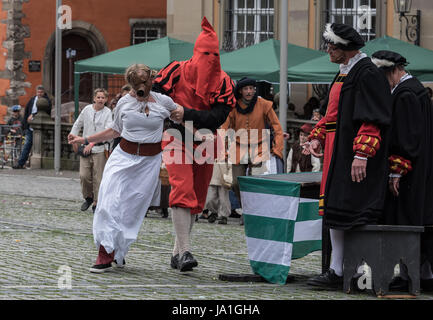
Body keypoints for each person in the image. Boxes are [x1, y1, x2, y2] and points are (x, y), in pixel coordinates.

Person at [68, 64, 183, 273]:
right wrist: (85, 138)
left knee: (132, 210)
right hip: (122, 158)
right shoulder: (123, 103)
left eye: (144, 82)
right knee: (107, 202)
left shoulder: (163, 102)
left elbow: (181, 116)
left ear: (151, 80)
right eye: (136, 83)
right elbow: (114, 131)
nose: (141, 86)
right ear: (131, 83)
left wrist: (184, 118)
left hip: (149, 162)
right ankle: (104, 251)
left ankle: (119, 251)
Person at [303, 23, 392, 289]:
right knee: (335, 209)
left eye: (331, 46)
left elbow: (372, 118)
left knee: (352, 210)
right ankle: (336, 268)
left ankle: (350, 270)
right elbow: (332, 112)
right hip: (337, 151)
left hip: (352, 154)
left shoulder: (367, 74)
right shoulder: (344, 72)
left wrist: (362, 154)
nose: (327, 50)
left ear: (345, 49)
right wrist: (318, 136)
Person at [152, 17, 236, 272]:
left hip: (207, 140)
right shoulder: (176, 70)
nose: (209, 58)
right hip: (176, 137)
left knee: (197, 197)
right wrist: (172, 113)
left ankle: (178, 252)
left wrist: (186, 113)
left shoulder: (224, 81)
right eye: (204, 53)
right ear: (196, 52)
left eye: (214, 54)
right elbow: (157, 96)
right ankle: (187, 250)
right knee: (183, 188)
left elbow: (218, 117)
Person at [372, 50, 433, 292]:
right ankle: (419, 273)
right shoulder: (415, 90)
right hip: (421, 168)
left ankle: (414, 274)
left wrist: (396, 170)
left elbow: (407, 137)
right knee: (420, 222)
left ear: (394, 71)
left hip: (411, 172)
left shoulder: (406, 94)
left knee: (409, 221)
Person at [221, 77, 284, 225]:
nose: (249, 91)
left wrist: (277, 148)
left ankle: (255, 212)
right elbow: (223, 128)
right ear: (240, 91)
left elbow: (277, 127)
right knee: (236, 183)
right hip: (238, 147)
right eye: (246, 89)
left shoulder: (265, 105)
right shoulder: (233, 106)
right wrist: (222, 150)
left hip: (260, 147)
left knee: (256, 181)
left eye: (251, 88)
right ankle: (246, 209)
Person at [69, 88, 113, 213]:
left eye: (103, 98)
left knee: (98, 177)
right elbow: (78, 124)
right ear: (94, 98)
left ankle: (96, 202)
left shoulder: (108, 112)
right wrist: (73, 136)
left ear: (106, 99)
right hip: (85, 149)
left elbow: (107, 132)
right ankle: (88, 197)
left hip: (100, 148)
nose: (100, 100)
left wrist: (92, 143)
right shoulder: (87, 110)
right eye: (98, 97)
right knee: (84, 176)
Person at [13, 85, 52, 169]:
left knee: (39, 147)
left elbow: (46, 110)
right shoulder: (32, 100)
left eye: (41, 92)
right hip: (30, 127)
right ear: (36, 92)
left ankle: (38, 164)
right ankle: (20, 163)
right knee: (27, 144)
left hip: (41, 127)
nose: (40, 94)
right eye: (38, 92)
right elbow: (27, 111)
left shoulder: (47, 101)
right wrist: (25, 125)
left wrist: (33, 115)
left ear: (44, 92)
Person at [204, 160, 232, 225]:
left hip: (224, 178)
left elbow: (231, 165)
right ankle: (214, 212)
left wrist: (229, 177)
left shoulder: (226, 151)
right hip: (211, 177)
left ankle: (224, 216)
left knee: (224, 199)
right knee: (209, 199)